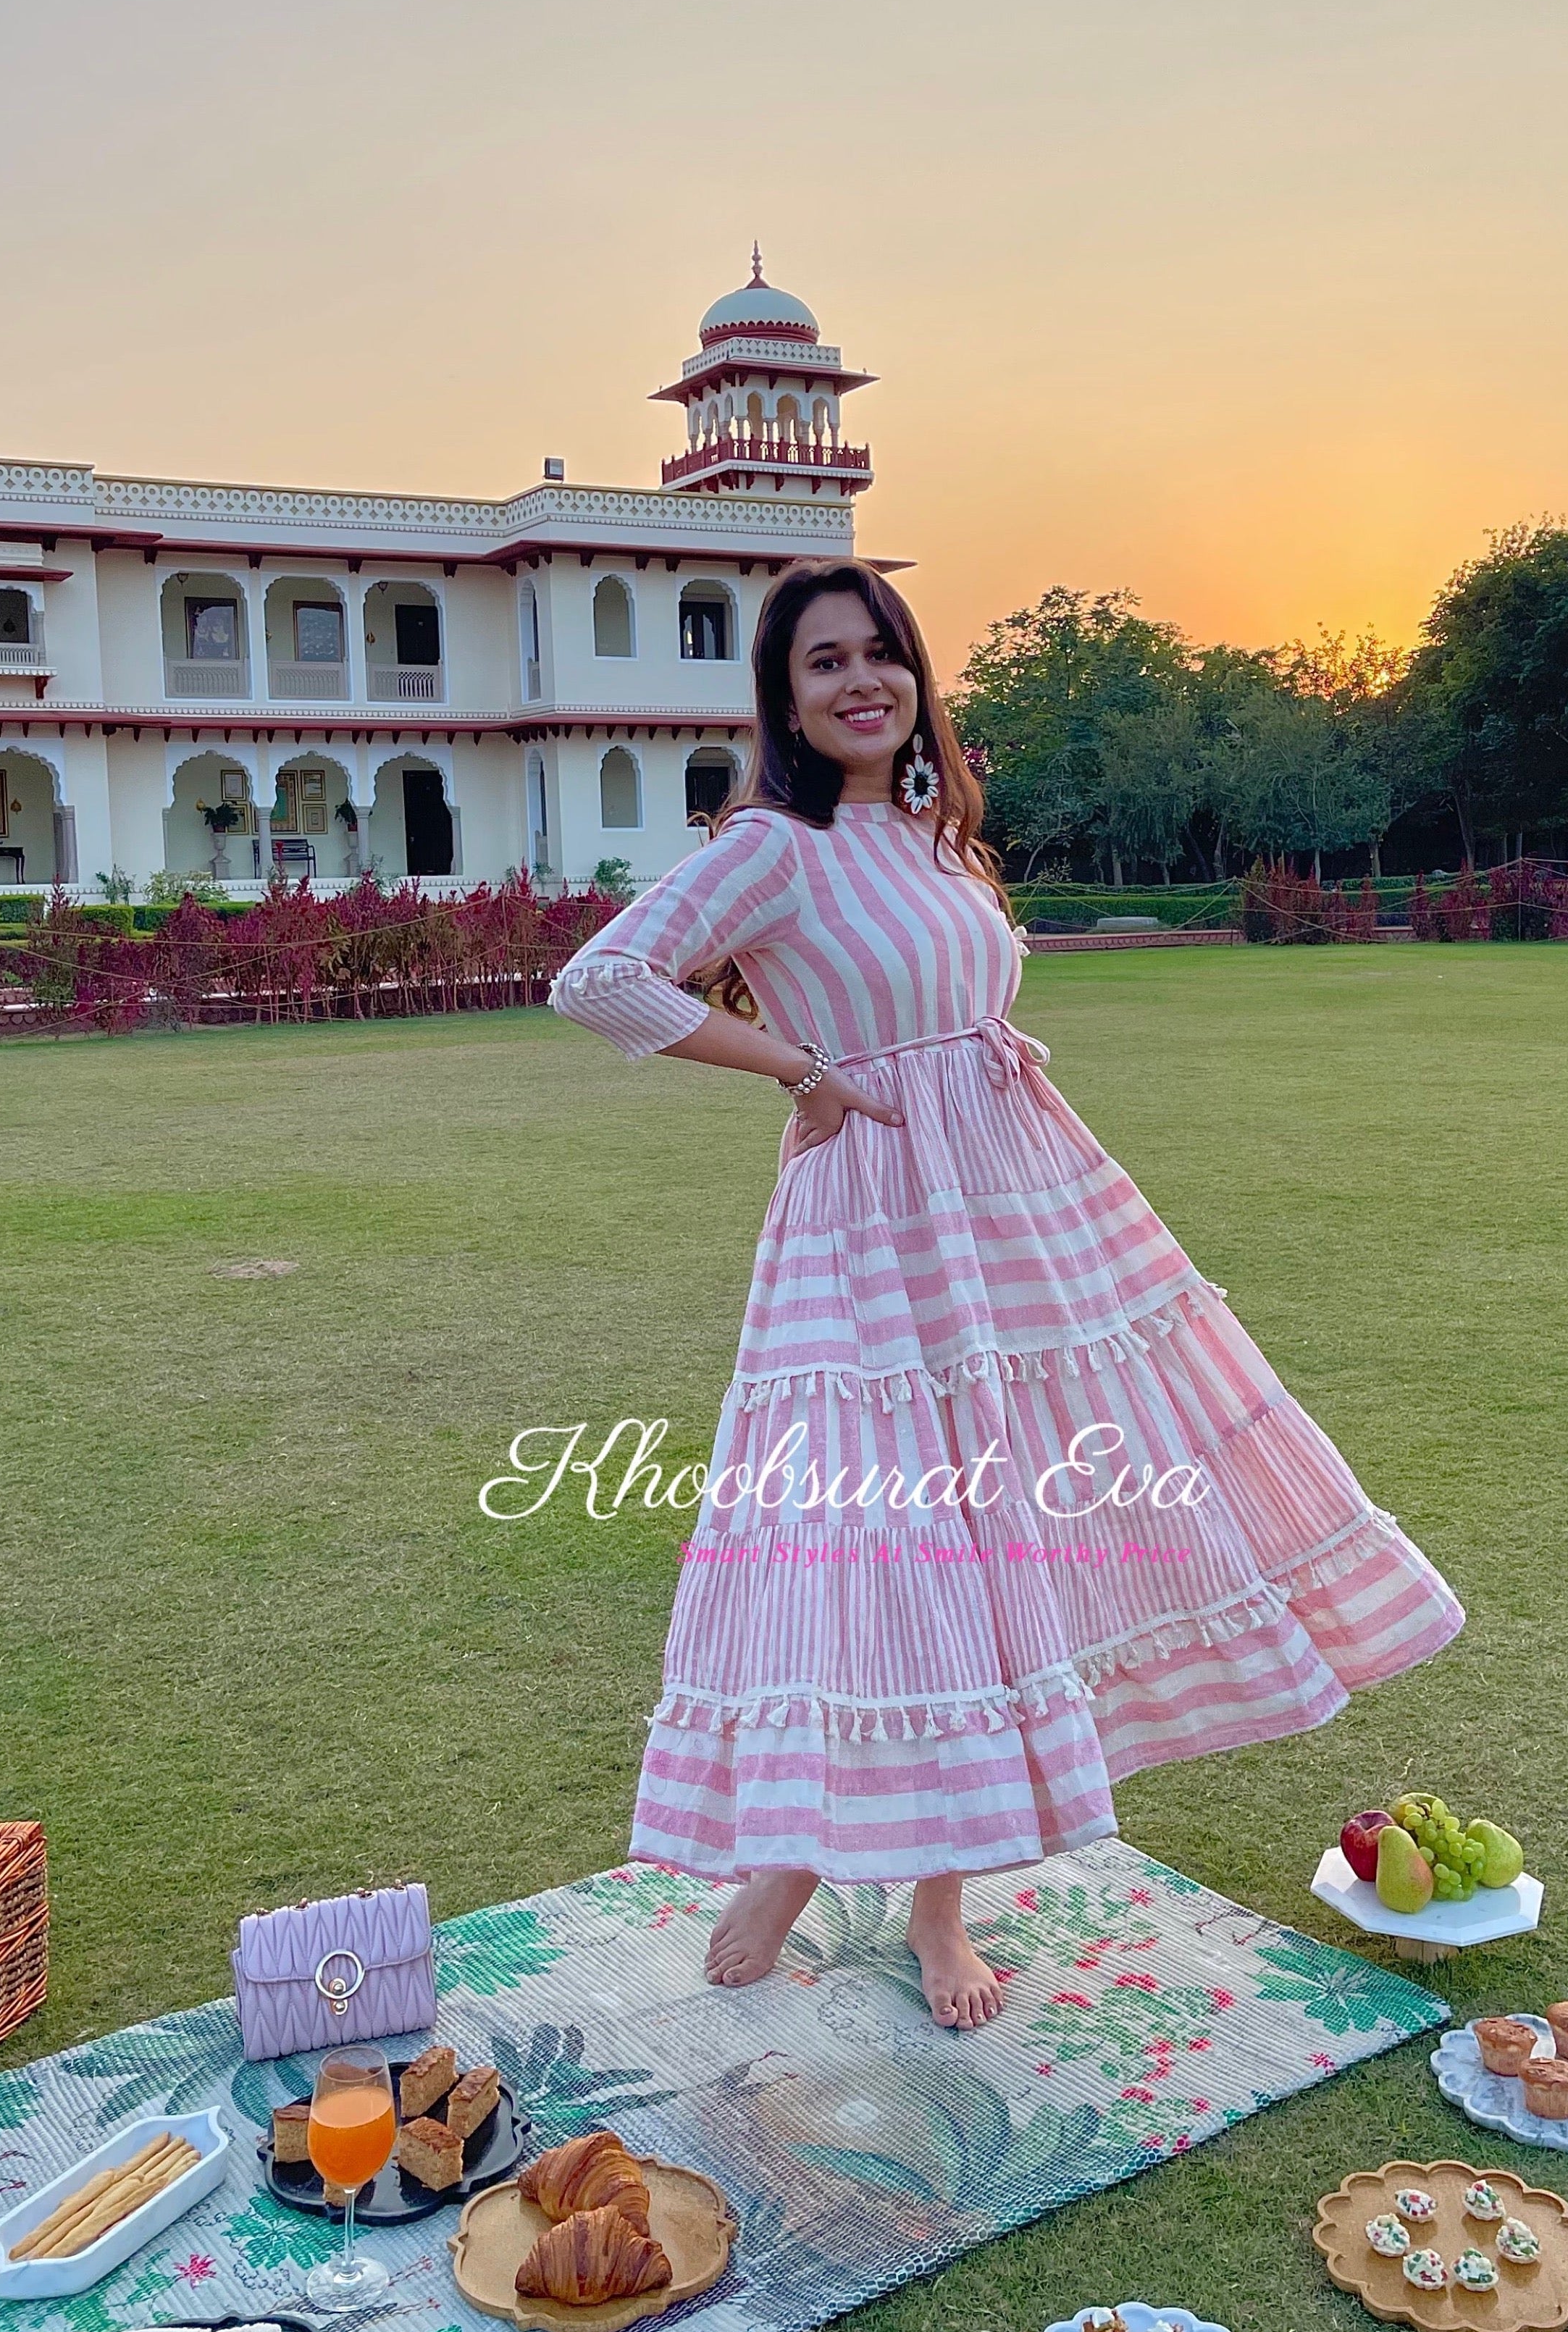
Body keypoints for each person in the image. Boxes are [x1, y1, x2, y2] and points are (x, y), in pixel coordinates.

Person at [547, 561, 1462, 2029]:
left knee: (1007, 1531)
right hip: (876, 1222)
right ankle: (785, 1855)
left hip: (1023, 1205)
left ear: (914, 675)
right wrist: (798, 1066)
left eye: (882, 655)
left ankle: (936, 1912)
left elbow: (966, 1007)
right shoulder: (772, 844)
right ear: (784, 697)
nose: (861, 681)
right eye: (825, 662)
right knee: (880, 1532)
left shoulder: (935, 830)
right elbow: (601, 983)